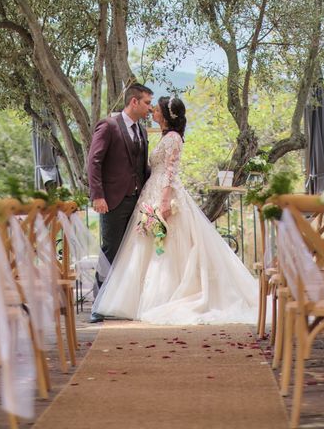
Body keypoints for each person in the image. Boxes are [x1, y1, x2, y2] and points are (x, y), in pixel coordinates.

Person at [92, 96, 259, 325]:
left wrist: (164, 200)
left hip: (163, 194)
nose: (153, 111)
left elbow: (170, 170)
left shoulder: (172, 138)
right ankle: (128, 300)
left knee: (165, 245)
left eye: (157, 109)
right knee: (143, 245)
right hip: (150, 191)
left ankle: (162, 297)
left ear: (166, 115)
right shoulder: (161, 135)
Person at [87, 83, 153, 323]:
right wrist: (98, 195)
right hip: (112, 200)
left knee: (130, 253)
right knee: (111, 250)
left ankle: (120, 304)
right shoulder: (109, 125)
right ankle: (98, 304)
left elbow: (140, 167)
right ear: (133, 102)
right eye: (146, 103)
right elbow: (94, 161)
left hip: (137, 200)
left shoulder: (142, 131)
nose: (149, 108)